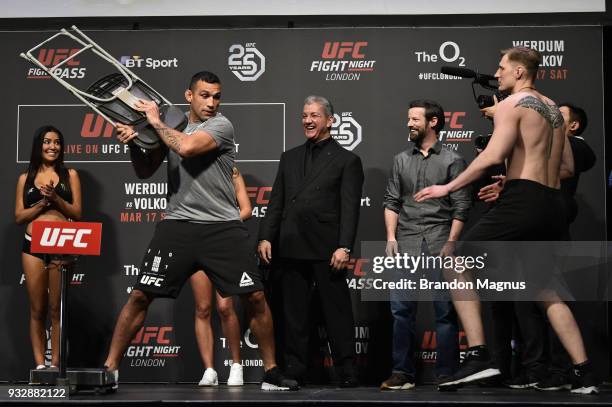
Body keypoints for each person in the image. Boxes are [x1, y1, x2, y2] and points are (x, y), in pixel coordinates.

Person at [414, 47, 598, 394]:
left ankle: (479, 354)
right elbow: (567, 169)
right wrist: (512, 180)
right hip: (552, 204)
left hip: (524, 201)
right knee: (546, 288)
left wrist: (448, 187)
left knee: (453, 257)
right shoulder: (555, 113)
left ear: (518, 72)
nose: (496, 75)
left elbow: (493, 156)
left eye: (501, 68)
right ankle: (584, 371)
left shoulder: (511, 105)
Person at [105, 70, 298, 391]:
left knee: (256, 296)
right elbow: (144, 171)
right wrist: (134, 143)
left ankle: (271, 371)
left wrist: (154, 122)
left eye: (217, 96)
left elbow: (188, 148)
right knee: (140, 295)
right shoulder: (170, 128)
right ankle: (109, 369)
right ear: (189, 96)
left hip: (221, 227)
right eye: (205, 95)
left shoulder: (220, 126)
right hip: (177, 226)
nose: (212, 102)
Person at [257, 95, 364, 387]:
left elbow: (350, 208)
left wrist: (345, 246)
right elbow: (275, 202)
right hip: (290, 245)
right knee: (293, 314)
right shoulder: (289, 157)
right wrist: (266, 236)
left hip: (327, 248)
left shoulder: (347, 160)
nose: (307, 120)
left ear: (330, 120)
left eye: (315, 115)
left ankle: (347, 370)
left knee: (337, 313)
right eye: (304, 115)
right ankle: (295, 369)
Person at [380, 100, 470, 390]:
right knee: (401, 311)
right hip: (405, 241)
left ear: (433, 122)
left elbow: (461, 207)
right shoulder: (400, 160)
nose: (409, 124)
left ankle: (446, 374)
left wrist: (452, 243)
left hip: (440, 241)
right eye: (408, 119)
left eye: (415, 119)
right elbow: (392, 201)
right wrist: (391, 237)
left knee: (445, 311)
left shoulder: (453, 160)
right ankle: (401, 373)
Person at [15, 125, 82, 370]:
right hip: (32, 245)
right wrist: (42, 202)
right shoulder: (26, 178)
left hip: (61, 245)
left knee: (56, 308)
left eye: (57, 142)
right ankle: (40, 366)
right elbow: (19, 216)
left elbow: (77, 213)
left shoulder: (70, 175)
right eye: (47, 141)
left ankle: (55, 365)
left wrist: (56, 198)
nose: (52, 146)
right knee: (37, 308)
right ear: (38, 145)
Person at [193, 166, 250, 386]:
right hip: (197, 243)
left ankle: (236, 365)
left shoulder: (232, 171)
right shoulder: (192, 173)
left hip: (224, 244)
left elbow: (246, 209)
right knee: (202, 308)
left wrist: (218, 222)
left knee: (225, 307)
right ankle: (209, 370)